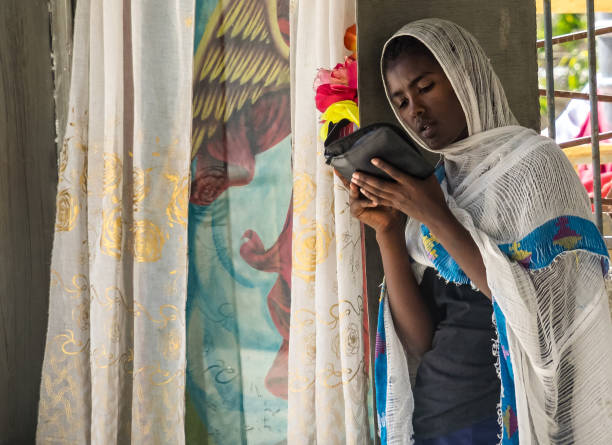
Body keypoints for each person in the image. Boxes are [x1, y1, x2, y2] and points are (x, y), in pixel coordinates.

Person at [341, 19, 612, 445]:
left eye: (426, 86)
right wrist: (390, 231)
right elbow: (422, 340)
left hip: (506, 421)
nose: (416, 110)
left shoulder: (535, 167)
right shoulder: (438, 186)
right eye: (401, 100)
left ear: (464, 75)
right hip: (435, 421)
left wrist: (434, 215)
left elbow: (545, 321)